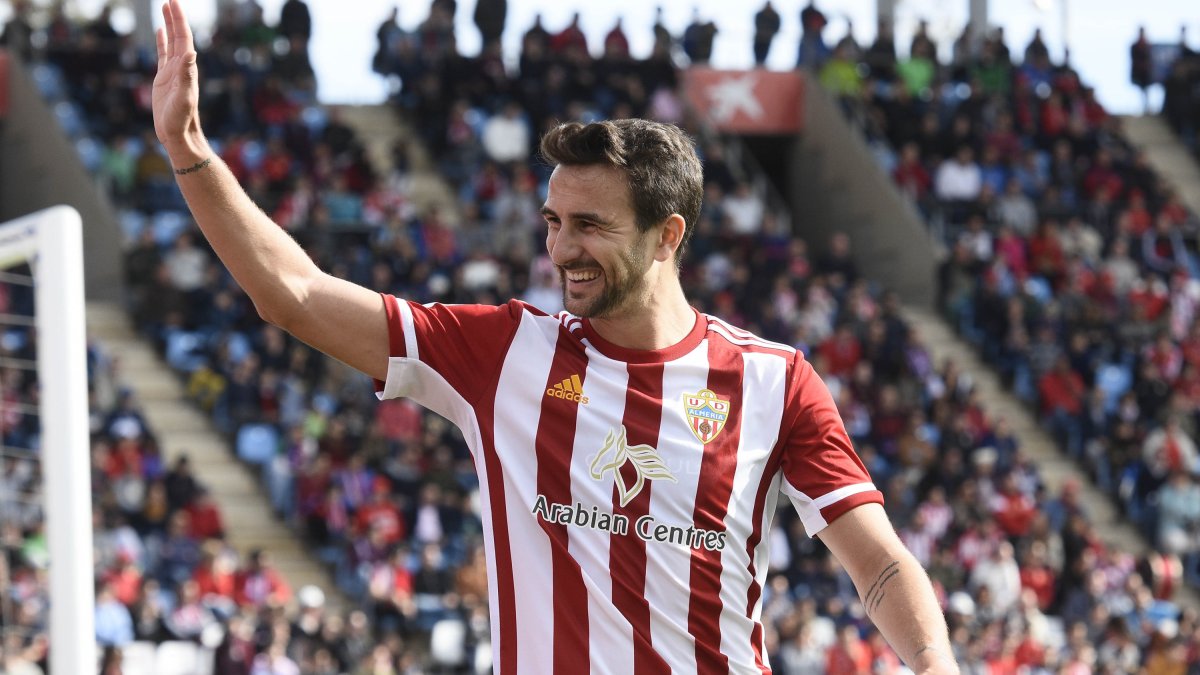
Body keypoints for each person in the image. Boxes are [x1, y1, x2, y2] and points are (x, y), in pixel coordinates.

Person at [151, 2, 957, 671]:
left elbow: (879, 563)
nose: (562, 247)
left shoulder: (774, 381)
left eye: (590, 225)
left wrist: (933, 663)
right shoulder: (504, 353)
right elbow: (292, 295)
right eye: (554, 222)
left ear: (667, 235)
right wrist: (189, 151)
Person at [753, 1, 781, 66]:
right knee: (757, 57)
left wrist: (769, 33)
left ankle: (761, 67)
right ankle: (758, 67)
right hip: (759, 38)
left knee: (764, 55)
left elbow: (777, 27)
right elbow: (757, 24)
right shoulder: (759, 14)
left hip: (767, 39)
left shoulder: (774, 15)